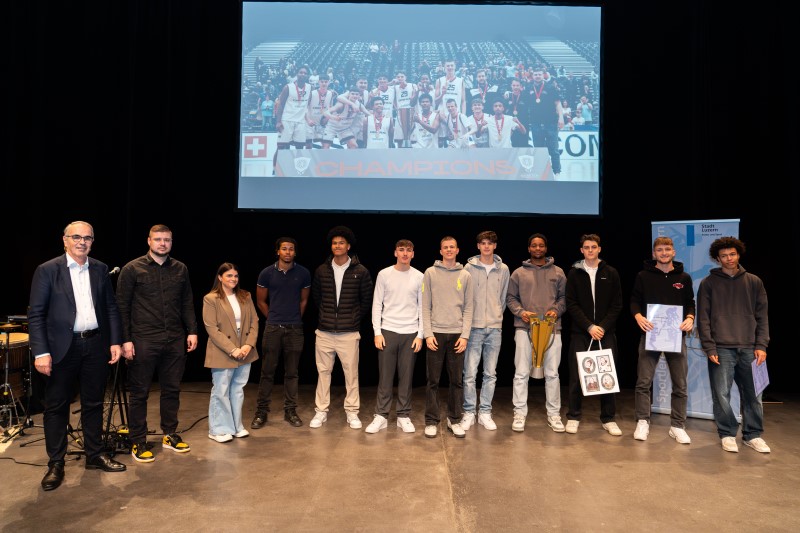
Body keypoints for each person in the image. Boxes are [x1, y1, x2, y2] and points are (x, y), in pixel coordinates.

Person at [28, 221, 126, 491]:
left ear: (92, 241)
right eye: (76, 237)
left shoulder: (100, 269)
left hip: (95, 345)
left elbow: (110, 308)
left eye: (87, 238)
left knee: (94, 403)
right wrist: (42, 352)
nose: (82, 242)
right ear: (65, 240)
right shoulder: (47, 270)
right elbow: (35, 314)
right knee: (57, 406)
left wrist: (115, 341)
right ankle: (56, 463)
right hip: (62, 348)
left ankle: (95, 454)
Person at [117, 224, 198, 463]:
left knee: (172, 390)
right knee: (139, 393)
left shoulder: (180, 269)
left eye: (167, 240)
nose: (163, 243)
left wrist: (192, 331)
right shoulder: (133, 269)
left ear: (171, 242)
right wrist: (125, 340)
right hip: (143, 339)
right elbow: (122, 306)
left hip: (174, 339)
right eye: (158, 239)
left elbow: (187, 302)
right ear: (149, 241)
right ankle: (138, 441)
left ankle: (170, 434)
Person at [697, 237, 770, 453]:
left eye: (732, 254)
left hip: (751, 348)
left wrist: (762, 345)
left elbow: (763, 317)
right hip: (720, 348)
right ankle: (727, 433)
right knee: (721, 394)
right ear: (717, 259)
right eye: (724, 256)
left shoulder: (754, 281)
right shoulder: (708, 283)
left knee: (754, 395)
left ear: (738, 254)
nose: (729, 258)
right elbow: (703, 319)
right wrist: (709, 347)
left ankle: (753, 435)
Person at [630, 236, 695, 444]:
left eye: (667, 249)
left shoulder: (683, 278)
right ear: (653, 253)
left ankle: (677, 425)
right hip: (651, 335)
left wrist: (690, 318)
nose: (664, 253)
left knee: (680, 384)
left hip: (676, 336)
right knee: (643, 382)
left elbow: (690, 303)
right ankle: (642, 421)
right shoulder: (643, 276)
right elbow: (634, 301)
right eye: (659, 250)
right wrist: (638, 316)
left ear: (673, 252)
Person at [309, 226, 373, 429]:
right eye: (334, 243)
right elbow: (317, 298)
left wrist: (352, 319)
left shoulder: (360, 271)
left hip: (349, 333)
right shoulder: (321, 270)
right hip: (324, 332)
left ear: (348, 246)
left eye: (341, 243)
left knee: (351, 375)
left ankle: (352, 412)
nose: (337, 246)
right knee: (323, 373)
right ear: (331, 246)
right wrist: (327, 318)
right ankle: (321, 411)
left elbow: (366, 301)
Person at [506, 233, 567, 433]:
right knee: (521, 372)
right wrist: (521, 313)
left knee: (552, 373)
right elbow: (511, 298)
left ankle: (554, 414)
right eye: (534, 245)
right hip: (525, 329)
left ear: (546, 248)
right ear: (529, 249)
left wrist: (555, 311)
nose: (538, 248)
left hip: (552, 328)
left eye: (541, 245)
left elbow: (564, 298)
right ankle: (520, 413)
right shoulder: (518, 273)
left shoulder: (558, 272)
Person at [564, 234, 623, 436]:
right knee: (577, 375)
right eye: (586, 247)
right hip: (581, 332)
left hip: (605, 333)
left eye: (594, 247)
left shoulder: (611, 273)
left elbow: (617, 306)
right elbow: (571, 304)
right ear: (581, 250)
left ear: (599, 249)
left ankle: (608, 418)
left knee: (607, 375)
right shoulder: (574, 273)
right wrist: (589, 326)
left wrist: (602, 327)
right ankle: (573, 416)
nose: (590, 250)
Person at [251, 237, 311, 429]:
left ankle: (290, 410)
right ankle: (261, 412)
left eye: (291, 249)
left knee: (292, 373)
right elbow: (261, 301)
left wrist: (293, 318)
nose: (287, 252)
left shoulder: (303, 273)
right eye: (284, 249)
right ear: (278, 251)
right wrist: (274, 318)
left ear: (295, 252)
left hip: (295, 329)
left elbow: (304, 301)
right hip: (273, 329)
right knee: (267, 372)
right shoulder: (266, 273)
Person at [366, 239, 424, 434]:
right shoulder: (384, 274)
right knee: (385, 377)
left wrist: (420, 335)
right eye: (401, 250)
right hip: (388, 331)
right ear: (395, 253)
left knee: (406, 378)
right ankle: (381, 415)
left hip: (411, 333)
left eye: (409, 250)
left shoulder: (419, 276)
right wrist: (377, 332)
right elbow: (376, 304)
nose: (405, 253)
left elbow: (423, 307)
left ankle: (403, 416)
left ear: (413, 254)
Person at [422, 236, 474, 439]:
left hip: (457, 336)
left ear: (458, 250)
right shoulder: (430, 273)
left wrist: (465, 336)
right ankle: (431, 420)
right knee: (432, 380)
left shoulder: (465, 275)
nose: (449, 250)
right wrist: (427, 333)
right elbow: (425, 306)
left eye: (452, 247)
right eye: (445, 247)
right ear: (440, 251)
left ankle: (454, 420)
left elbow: (469, 308)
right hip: (435, 333)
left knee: (456, 381)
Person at [203, 263, 259, 443]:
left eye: (235, 276)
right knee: (221, 390)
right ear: (220, 277)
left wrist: (248, 345)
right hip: (223, 351)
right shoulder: (211, 299)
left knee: (238, 389)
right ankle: (218, 429)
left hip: (244, 352)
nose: (233, 279)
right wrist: (233, 349)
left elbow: (254, 322)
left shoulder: (245, 296)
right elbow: (212, 329)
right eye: (229, 276)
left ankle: (236, 426)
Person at [461, 231, 509, 431]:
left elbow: (503, 298)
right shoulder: (468, 268)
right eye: (483, 243)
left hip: (495, 329)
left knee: (490, 373)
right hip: (474, 328)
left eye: (490, 243)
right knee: (470, 373)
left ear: (495, 246)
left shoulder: (503, 269)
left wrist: (496, 316)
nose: (487, 246)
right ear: (478, 246)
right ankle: (469, 412)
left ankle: (485, 413)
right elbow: (464, 297)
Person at [273, 66, 312, 171]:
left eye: (305, 73)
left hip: (300, 122)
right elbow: (280, 105)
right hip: (287, 121)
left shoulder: (309, 87)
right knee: (281, 147)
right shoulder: (288, 87)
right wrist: (278, 121)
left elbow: (308, 103)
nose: (303, 74)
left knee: (299, 148)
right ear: (297, 74)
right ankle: (274, 169)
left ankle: (297, 169)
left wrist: (307, 118)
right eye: (301, 72)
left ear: (307, 75)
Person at [527, 67, 564, 178]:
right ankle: (541, 171)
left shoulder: (551, 87)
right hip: (535, 124)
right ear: (532, 76)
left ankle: (557, 172)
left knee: (554, 149)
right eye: (535, 74)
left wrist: (561, 118)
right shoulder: (529, 88)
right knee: (539, 150)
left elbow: (558, 103)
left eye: (539, 74)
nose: (537, 76)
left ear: (543, 75)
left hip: (551, 123)